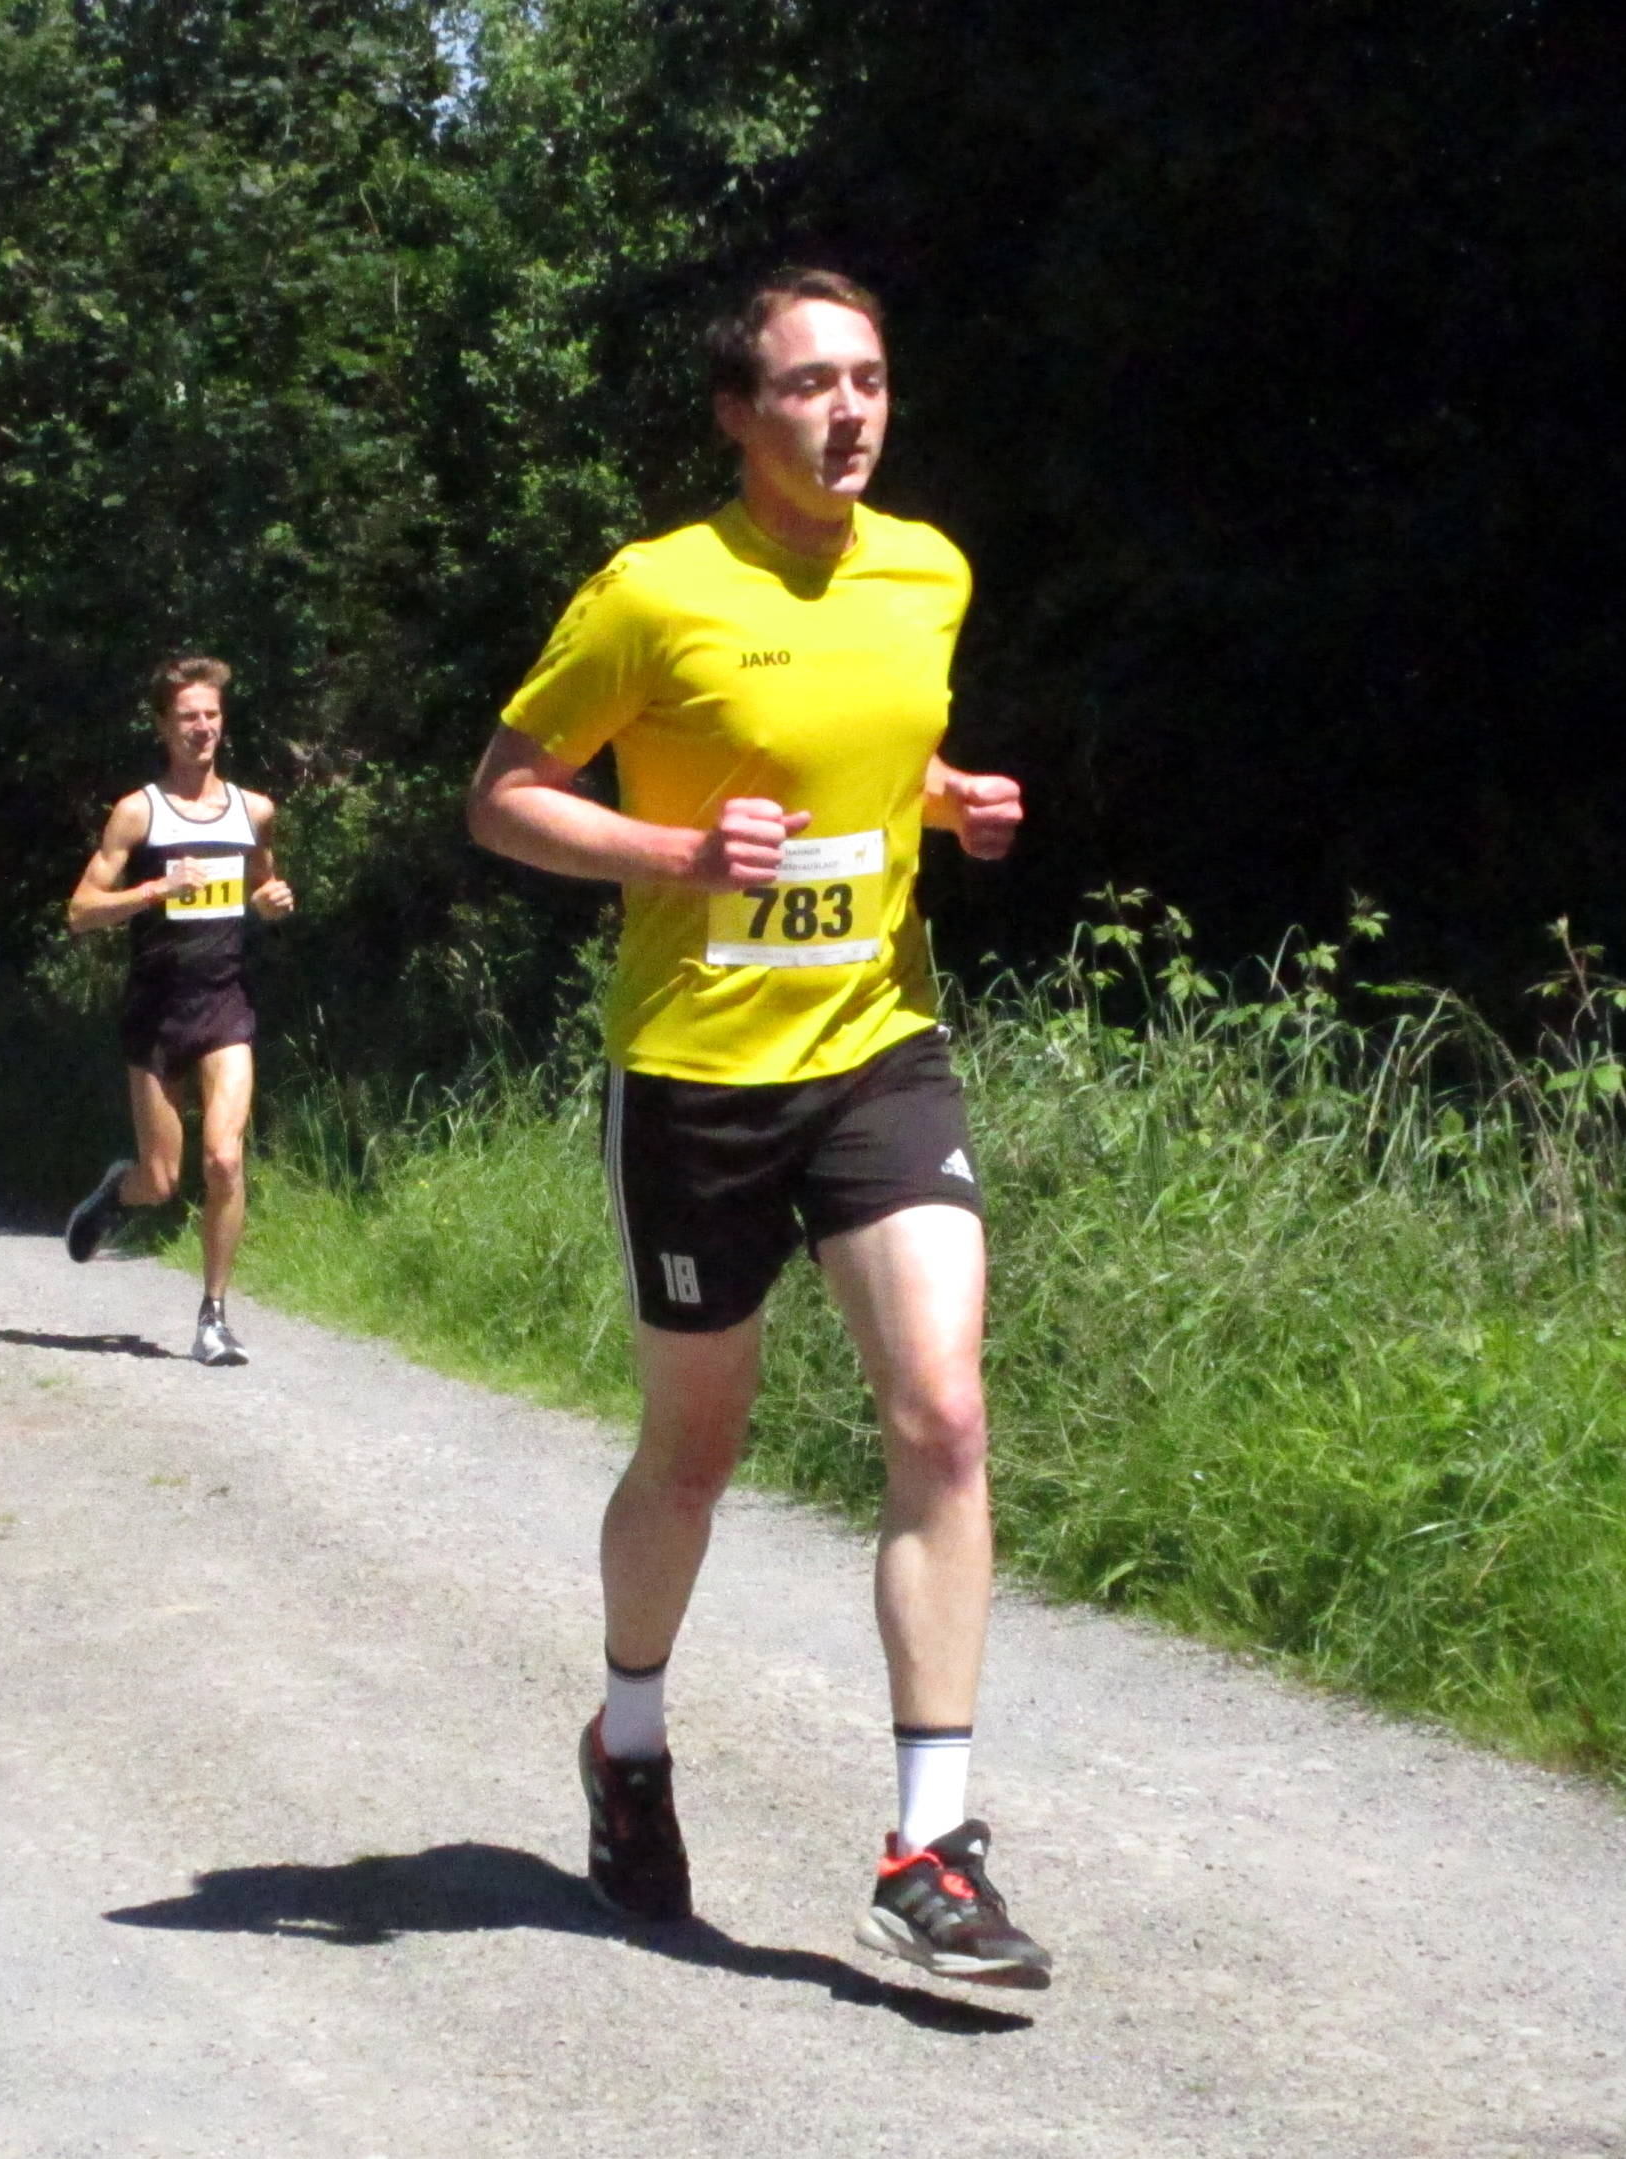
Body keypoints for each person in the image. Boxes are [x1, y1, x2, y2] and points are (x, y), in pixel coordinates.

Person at [465, 268, 1046, 1986]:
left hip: (878, 1046)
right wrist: (674, 852)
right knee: (695, 1454)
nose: (848, 410)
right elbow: (502, 797)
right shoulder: (655, 591)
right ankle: (628, 1738)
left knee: (943, 1409)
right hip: (699, 1075)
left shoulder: (928, 570)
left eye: (870, 377)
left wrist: (950, 799)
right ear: (738, 413)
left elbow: (867, 752)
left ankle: (929, 1846)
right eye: (808, 384)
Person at [59, 656, 296, 1367]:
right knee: (161, 1181)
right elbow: (80, 911)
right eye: (188, 716)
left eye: (211, 715)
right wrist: (156, 890)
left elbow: (262, 885)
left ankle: (214, 1316)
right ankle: (117, 1190)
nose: (202, 728)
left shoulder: (253, 810)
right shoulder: (139, 812)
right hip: (157, 1009)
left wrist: (271, 902)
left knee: (223, 1157)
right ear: (163, 726)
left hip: (225, 1004)